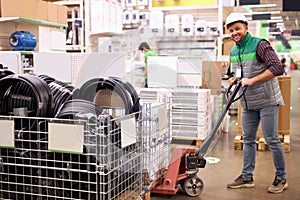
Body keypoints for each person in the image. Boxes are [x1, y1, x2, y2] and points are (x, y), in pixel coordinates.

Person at [225, 12, 287, 194]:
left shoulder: (260, 45)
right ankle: (247, 176)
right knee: (248, 139)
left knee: (271, 139)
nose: (234, 32)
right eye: (231, 30)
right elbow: (237, 72)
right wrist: (234, 79)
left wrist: (251, 80)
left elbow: (277, 68)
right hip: (248, 101)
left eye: (237, 29)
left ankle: (281, 177)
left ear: (245, 27)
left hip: (267, 100)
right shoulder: (234, 51)